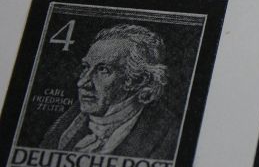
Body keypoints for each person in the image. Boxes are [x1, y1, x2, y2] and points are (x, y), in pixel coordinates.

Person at [40, 24, 178, 159]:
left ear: (139, 80)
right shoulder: (67, 122)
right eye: (86, 67)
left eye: (103, 70)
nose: (82, 83)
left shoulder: (169, 133)